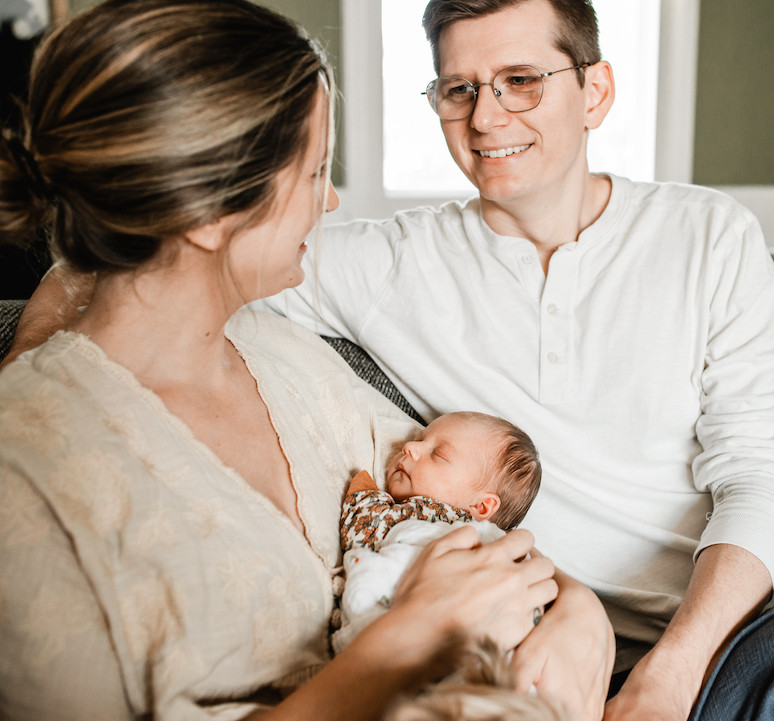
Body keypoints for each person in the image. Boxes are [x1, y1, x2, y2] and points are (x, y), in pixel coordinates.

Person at [0, 1, 615, 719]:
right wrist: (407, 638)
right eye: (314, 171)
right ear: (206, 212)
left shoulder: (290, 358)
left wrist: (578, 608)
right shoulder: (33, 479)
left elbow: (460, 510)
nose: (332, 201)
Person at [335, 410, 543, 652]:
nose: (409, 447)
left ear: (481, 506)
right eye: (420, 439)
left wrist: (363, 493)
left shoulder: (433, 517)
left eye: (438, 454)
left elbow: (365, 532)